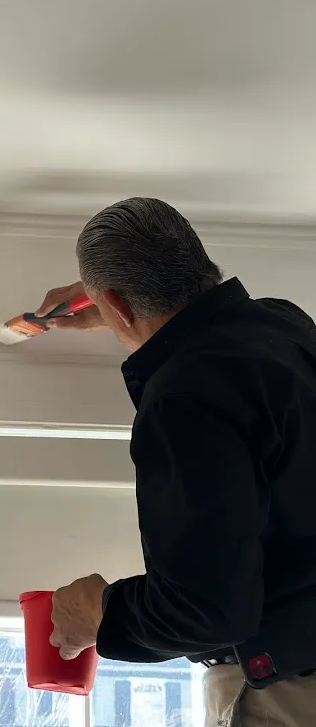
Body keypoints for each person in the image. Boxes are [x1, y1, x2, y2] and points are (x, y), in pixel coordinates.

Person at [36, 197, 316, 727]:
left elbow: (205, 609)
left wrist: (97, 613)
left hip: (294, 694)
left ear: (116, 304)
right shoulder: (284, 324)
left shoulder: (183, 395)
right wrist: (120, 309)